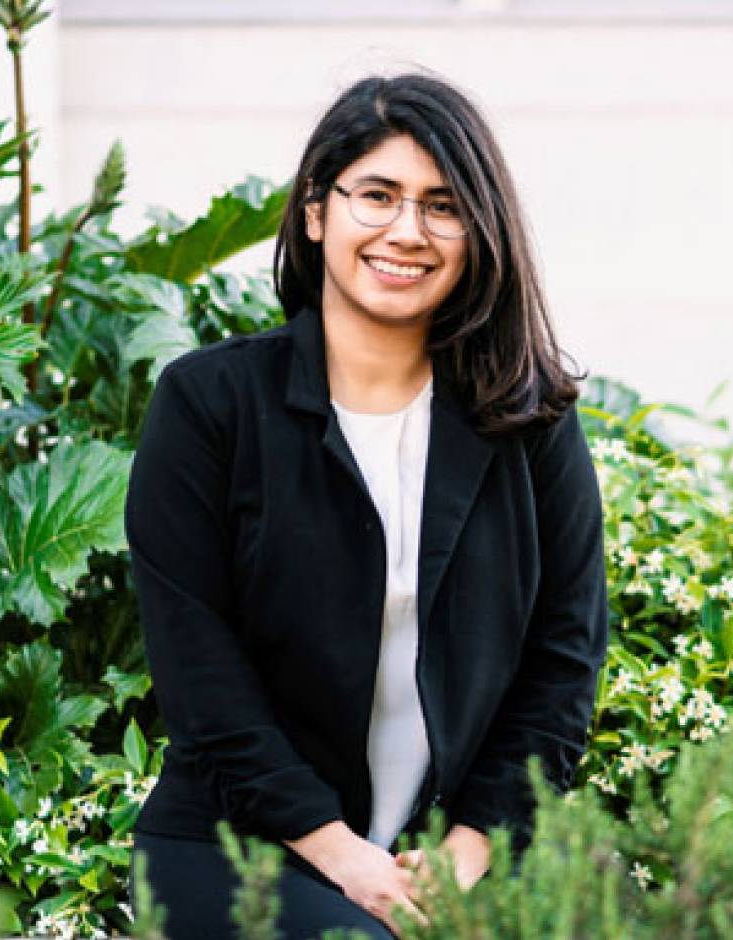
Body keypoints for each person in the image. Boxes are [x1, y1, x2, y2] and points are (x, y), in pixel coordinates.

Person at [125, 70, 610, 939]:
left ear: (478, 232)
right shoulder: (210, 405)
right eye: (377, 196)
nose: (406, 232)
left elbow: (562, 662)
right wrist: (345, 857)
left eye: (442, 206)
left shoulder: (529, 419)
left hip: (461, 852)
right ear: (317, 211)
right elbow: (201, 678)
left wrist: (467, 851)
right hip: (240, 847)